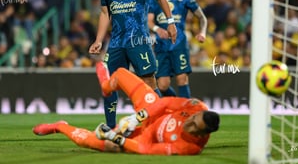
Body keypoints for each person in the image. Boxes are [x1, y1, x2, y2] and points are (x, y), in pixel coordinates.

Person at [33, 62, 220, 155]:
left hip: (145, 135)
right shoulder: (196, 107)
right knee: (121, 74)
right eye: (193, 120)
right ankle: (106, 87)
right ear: (199, 113)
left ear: (203, 134)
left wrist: (115, 137)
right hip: (153, 111)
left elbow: (145, 149)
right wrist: (139, 116)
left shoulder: (189, 148)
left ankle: (60, 126)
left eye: (196, 128)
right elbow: (165, 103)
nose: (190, 125)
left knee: (101, 143)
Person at [88, 0, 177, 129]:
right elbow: (105, 14)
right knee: (110, 85)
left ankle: (161, 124)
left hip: (139, 40)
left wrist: (170, 23)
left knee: (149, 82)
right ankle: (111, 128)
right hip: (117, 42)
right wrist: (98, 40)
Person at [148, 0, 207, 98]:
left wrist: (202, 32)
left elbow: (202, 17)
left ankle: (185, 115)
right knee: (162, 85)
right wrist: (157, 29)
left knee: (182, 79)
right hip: (161, 45)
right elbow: (149, 21)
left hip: (179, 44)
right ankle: (176, 105)